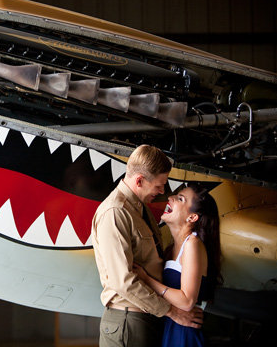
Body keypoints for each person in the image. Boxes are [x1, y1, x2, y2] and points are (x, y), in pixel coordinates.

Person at [91, 144, 203, 347]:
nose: (162, 192)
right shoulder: (116, 212)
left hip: (145, 319)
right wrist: (173, 312)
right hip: (128, 323)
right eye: (159, 185)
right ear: (140, 180)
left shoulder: (139, 208)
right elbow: (123, 282)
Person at [133, 182, 221, 347]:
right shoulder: (172, 247)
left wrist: (147, 280)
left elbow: (187, 301)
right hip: (170, 327)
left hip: (183, 332)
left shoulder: (192, 243)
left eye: (180, 199)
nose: (170, 197)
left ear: (192, 217)